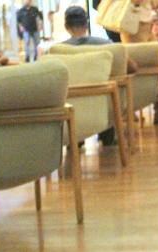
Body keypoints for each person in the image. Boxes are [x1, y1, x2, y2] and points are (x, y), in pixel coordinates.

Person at [59, 5, 138, 147]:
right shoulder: (106, 46)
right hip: (103, 111)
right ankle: (107, 134)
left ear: (66, 26)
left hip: (71, 113)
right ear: (86, 23)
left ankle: (74, 139)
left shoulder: (56, 52)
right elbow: (132, 68)